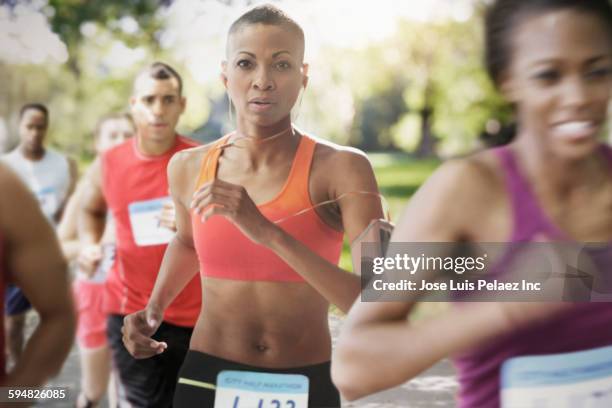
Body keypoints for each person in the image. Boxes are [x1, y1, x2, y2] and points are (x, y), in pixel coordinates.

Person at [331, 1, 612, 407]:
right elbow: (354, 367)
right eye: (549, 76)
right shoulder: (463, 193)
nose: (578, 96)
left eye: (597, 72)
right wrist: (505, 307)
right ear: (507, 81)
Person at [121, 5, 384, 407]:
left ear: (303, 76)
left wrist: (269, 233)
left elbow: (378, 300)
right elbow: (189, 243)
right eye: (246, 64)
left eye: (281, 65)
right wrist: (153, 310)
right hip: (208, 377)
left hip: (305, 380)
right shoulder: (187, 167)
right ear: (226, 76)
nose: (263, 81)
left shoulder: (346, 169)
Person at [79, 62, 201, 407]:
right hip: (130, 312)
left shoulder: (202, 160)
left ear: (182, 105)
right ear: (134, 105)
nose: (158, 110)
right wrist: (90, 245)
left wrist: (194, 225)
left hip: (195, 316)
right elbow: (90, 208)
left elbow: (233, 232)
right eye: (149, 100)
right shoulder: (110, 162)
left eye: (168, 99)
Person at [57, 113, 135, 408]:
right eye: (112, 135)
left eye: (127, 134)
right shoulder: (87, 191)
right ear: (97, 144)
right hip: (95, 295)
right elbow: (60, 247)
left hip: (135, 299)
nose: (121, 141)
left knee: (125, 388)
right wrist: (88, 248)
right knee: (94, 389)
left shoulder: (151, 186)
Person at [1, 103, 77, 367]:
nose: (34, 132)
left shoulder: (63, 165)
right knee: (14, 321)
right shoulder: (5, 166)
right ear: (20, 127)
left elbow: (70, 208)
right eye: (29, 127)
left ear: (47, 127)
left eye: (40, 126)